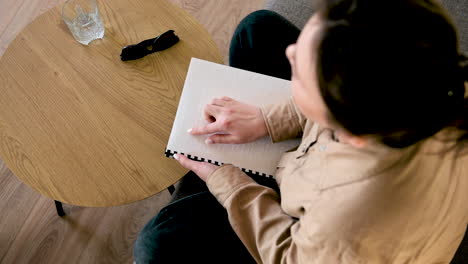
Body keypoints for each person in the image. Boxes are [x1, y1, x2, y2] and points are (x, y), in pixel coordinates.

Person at [134, 0, 468, 263]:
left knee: (157, 243)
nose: (290, 53)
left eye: (300, 75)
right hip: (319, 167)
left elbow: (288, 255)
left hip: (313, 236)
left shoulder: (349, 227)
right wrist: (268, 119)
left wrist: (225, 180)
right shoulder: (438, 78)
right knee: (258, 29)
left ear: (351, 133)